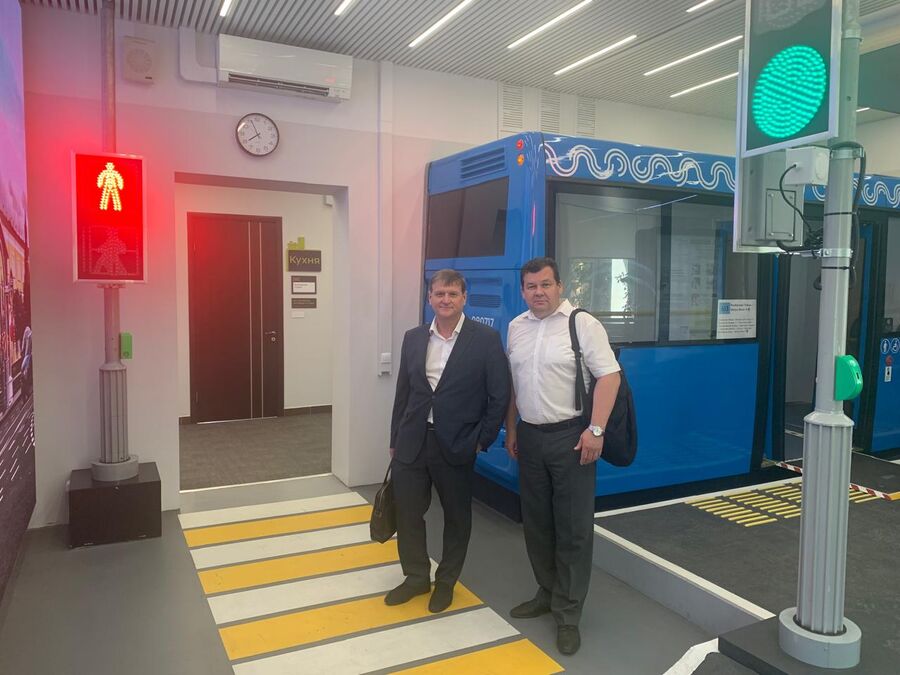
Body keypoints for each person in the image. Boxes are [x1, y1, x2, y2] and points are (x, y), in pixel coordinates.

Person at [504, 257, 621, 656]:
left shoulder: (582, 324)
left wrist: (596, 430)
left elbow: (609, 377)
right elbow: (515, 384)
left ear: (559, 286)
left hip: (572, 437)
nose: (538, 292)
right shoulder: (516, 327)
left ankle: (568, 613)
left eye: (545, 284)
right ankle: (547, 591)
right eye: (531, 286)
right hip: (531, 437)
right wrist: (513, 429)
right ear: (523, 291)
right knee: (537, 522)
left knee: (572, 528)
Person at [387, 268, 510, 613]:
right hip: (412, 441)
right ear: (430, 298)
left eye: (453, 294)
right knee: (408, 513)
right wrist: (395, 437)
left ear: (464, 298)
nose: (446, 300)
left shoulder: (485, 339)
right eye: (439, 293)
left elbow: (499, 395)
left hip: (457, 444)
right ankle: (415, 577)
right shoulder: (413, 337)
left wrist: (482, 440)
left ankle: (445, 582)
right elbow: (403, 392)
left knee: (456, 517)